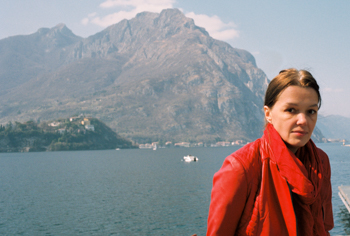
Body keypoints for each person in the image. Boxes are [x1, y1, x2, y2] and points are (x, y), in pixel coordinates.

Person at [207, 68, 334, 235]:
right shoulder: (240, 168)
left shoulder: (320, 162)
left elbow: (324, 227)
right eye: (291, 110)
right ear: (268, 114)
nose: (303, 120)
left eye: (311, 111)